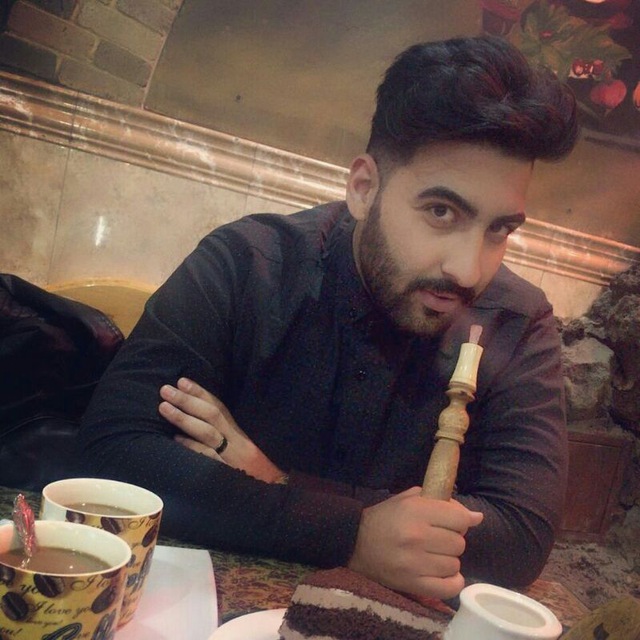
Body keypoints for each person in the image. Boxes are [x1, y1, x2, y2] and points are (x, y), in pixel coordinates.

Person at [78, 35, 578, 600]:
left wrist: (278, 484)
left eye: (499, 229)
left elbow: (520, 538)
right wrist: (353, 535)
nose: (468, 269)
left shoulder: (520, 322)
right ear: (364, 188)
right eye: (441, 212)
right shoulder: (247, 264)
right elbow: (112, 449)